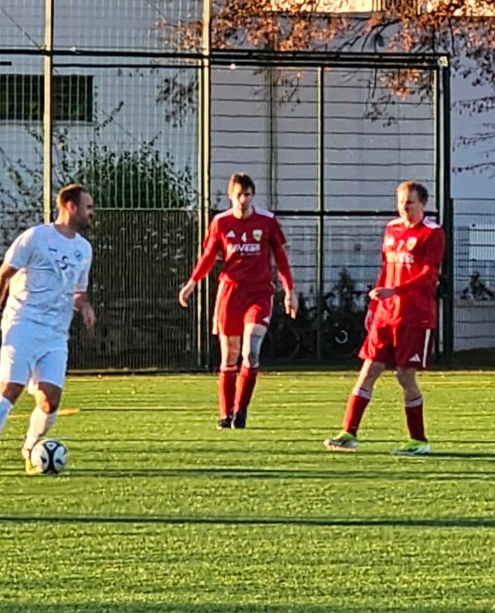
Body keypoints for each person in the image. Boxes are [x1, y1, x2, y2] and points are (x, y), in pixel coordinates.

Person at [0, 184, 96, 478]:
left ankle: (30, 449)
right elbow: (3, 276)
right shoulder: (36, 237)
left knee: (50, 401)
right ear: (70, 207)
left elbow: (78, 293)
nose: (92, 213)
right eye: (88, 207)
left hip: (56, 334)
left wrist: (84, 307)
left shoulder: (83, 249)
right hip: (22, 324)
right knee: (9, 390)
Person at [324, 180, 445, 456]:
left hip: (415, 317)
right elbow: (386, 268)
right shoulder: (391, 229)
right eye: (401, 202)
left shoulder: (432, 233)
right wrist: (373, 306)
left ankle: (419, 440)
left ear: (423, 204)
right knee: (368, 371)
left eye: (410, 203)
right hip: (385, 315)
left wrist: (396, 290)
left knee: (405, 377)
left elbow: (429, 276)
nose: (404, 208)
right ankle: (348, 433)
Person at [177, 173, 297, 429]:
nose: (243, 200)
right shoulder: (221, 222)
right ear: (230, 196)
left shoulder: (267, 221)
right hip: (230, 294)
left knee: (250, 351)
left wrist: (289, 290)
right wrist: (192, 283)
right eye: (239, 195)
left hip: (259, 294)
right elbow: (209, 256)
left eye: (248, 195)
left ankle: (241, 411)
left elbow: (281, 258)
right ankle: (225, 412)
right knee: (229, 356)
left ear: (253, 196)